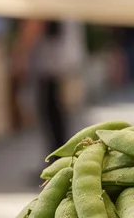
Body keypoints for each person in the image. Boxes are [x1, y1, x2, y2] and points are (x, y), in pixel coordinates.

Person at [14, 19, 86, 151]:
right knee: (60, 118)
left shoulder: (49, 2)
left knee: (54, 117)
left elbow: (34, 24)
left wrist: (21, 55)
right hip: (65, 64)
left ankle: (58, 159)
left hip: (52, 66)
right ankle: (59, 158)